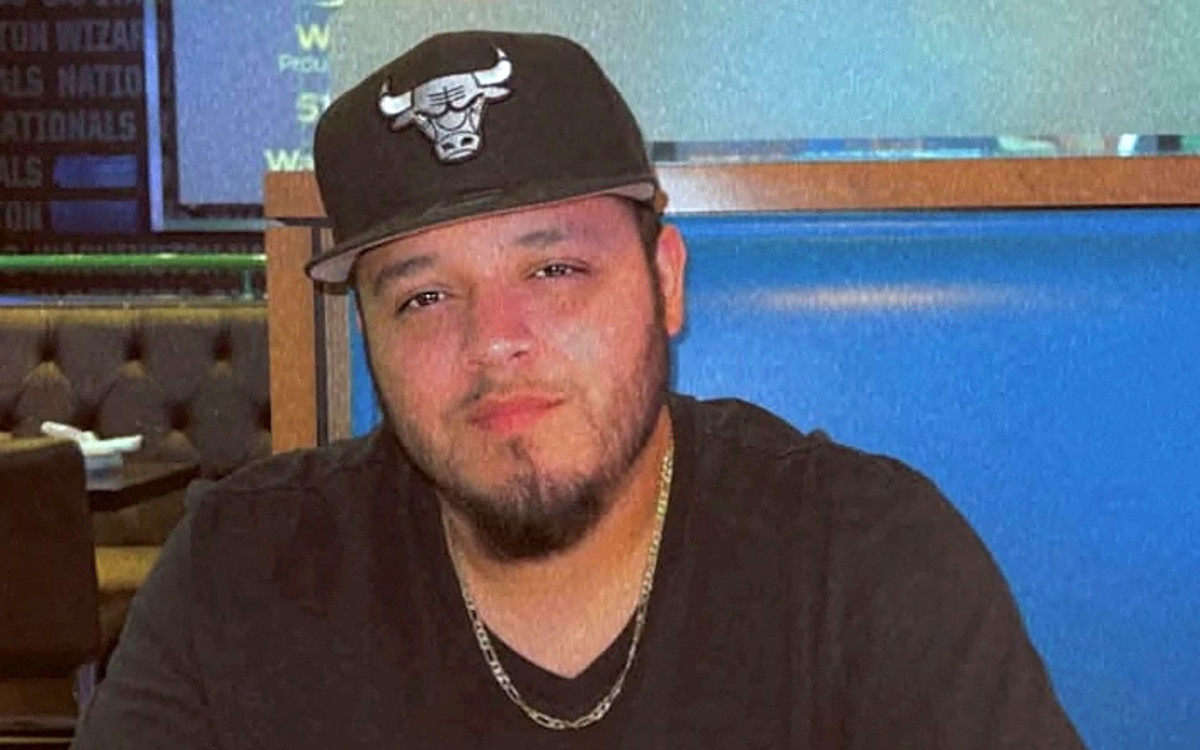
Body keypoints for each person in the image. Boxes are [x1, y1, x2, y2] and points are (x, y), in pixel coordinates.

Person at [72, 31, 1086, 749]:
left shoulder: (863, 560)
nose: (494, 342)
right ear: (368, 332)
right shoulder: (238, 577)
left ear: (666, 283)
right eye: (423, 297)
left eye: (554, 270)